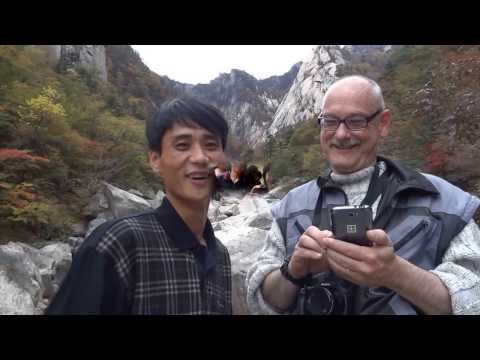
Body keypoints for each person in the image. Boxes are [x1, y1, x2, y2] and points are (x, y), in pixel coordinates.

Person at [246, 75, 480, 315]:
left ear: (383, 123)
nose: (341, 134)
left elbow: (475, 298)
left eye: (356, 121)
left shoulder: (442, 199)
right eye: (330, 121)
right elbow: (261, 301)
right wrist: (293, 270)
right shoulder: (291, 206)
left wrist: (396, 274)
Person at [46, 97, 232, 314]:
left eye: (211, 145)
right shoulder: (117, 244)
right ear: (155, 159)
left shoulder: (220, 255)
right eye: (182, 145)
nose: (200, 158)